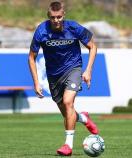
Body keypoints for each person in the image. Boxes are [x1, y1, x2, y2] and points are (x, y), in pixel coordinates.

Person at [28, 1, 99, 156]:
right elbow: (32, 57)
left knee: (68, 102)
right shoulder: (41, 31)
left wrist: (88, 71)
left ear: (63, 15)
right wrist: (36, 82)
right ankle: (83, 118)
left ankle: (68, 146)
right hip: (54, 76)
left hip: (73, 68)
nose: (56, 20)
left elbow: (92, 47)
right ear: (49, 16)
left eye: (59, 17)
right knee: (68, 113)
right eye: (53, 17)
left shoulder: (73, 28)